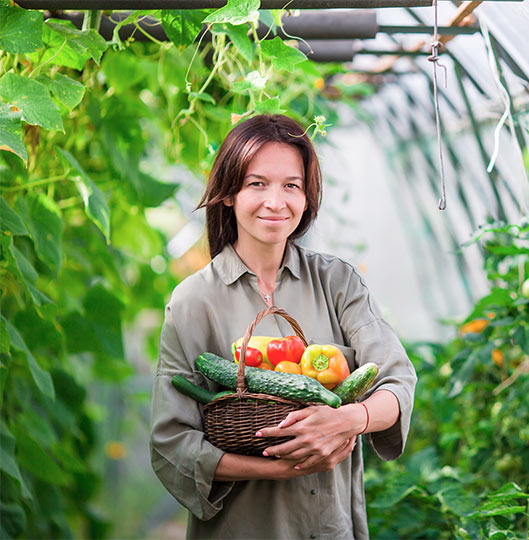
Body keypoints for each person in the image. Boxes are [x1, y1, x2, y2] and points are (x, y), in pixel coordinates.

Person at [149, 114, 417, 539]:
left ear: (307, 198)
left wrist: (349, 419)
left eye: (291, 185)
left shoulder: (338, 283)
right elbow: (172, 444)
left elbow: (397, 381)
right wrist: (279, 466)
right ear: (228, 194)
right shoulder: (191, 302)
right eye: (257, 184)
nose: (276, 201)